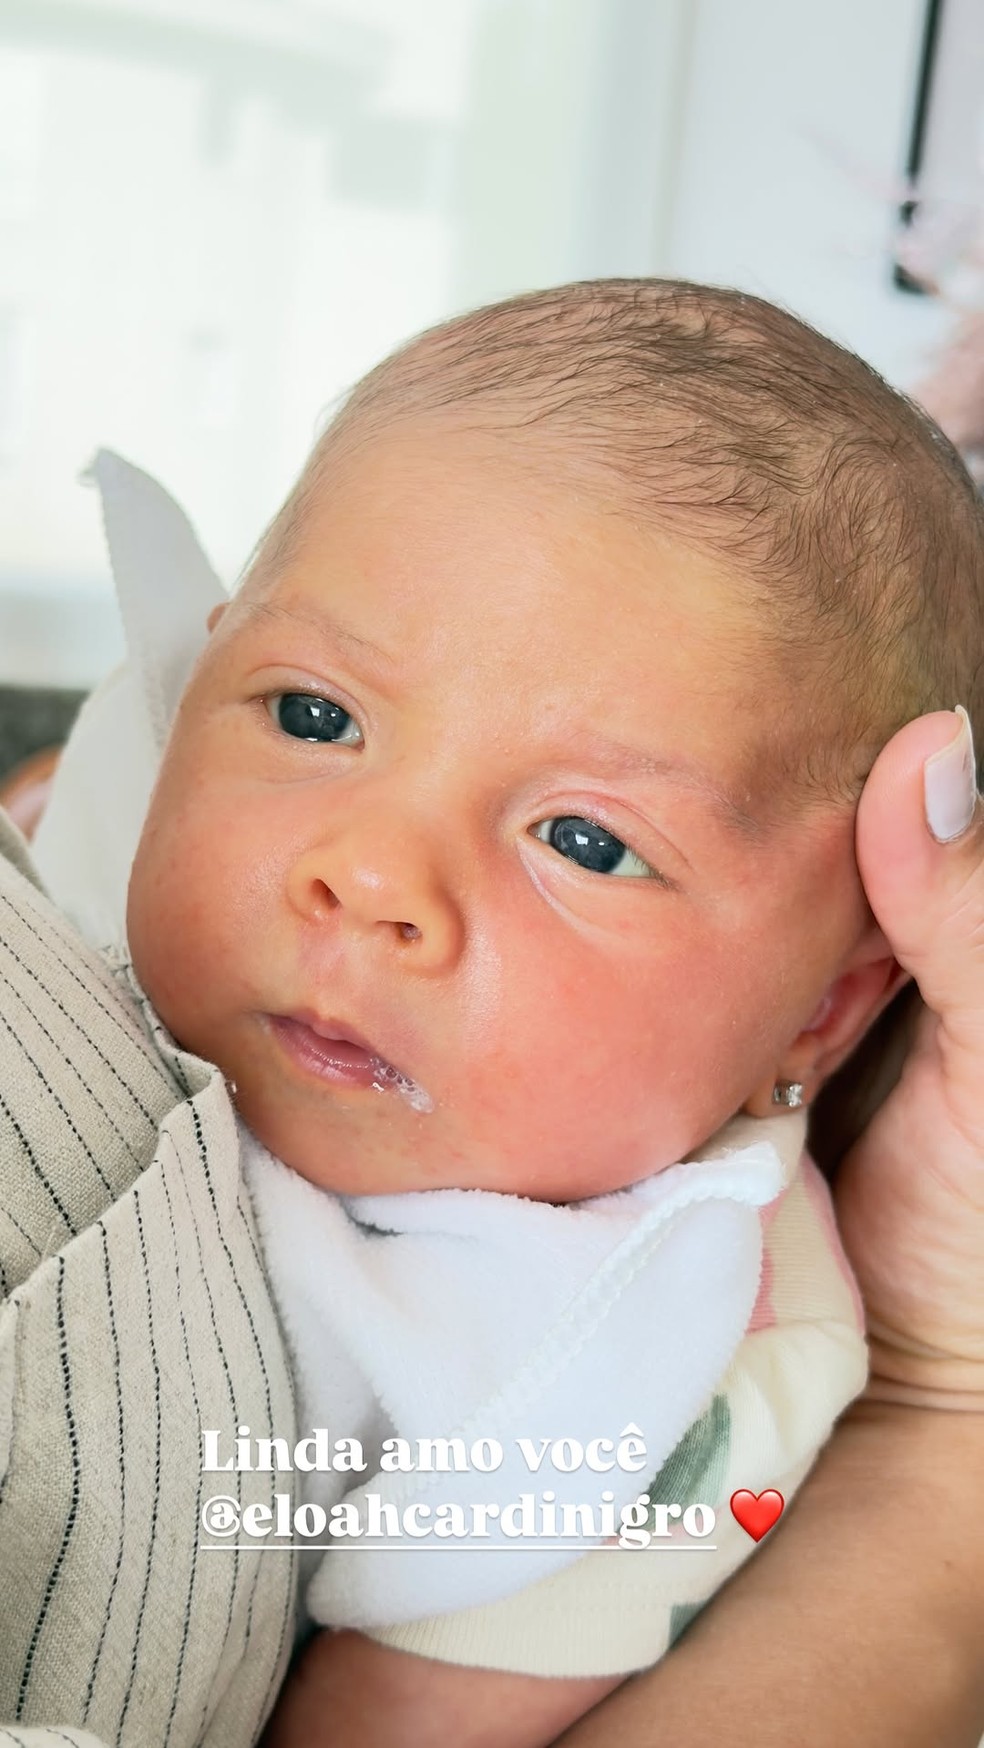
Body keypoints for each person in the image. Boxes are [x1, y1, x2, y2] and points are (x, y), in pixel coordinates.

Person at [1, 278, 982, 1746]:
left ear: (823, 1010)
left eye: (585, 842)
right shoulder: (111, 814)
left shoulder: (649, 1356)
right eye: (314, 717)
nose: (372, 876)